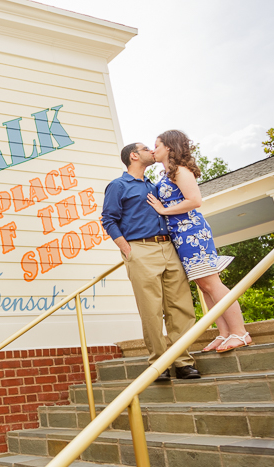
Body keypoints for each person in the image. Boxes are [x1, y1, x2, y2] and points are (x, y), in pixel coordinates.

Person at [147, 130, 252, 353]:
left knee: (212, 283)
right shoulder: (167, 174)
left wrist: (163, 210)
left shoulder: (180, 171)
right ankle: (224, 333)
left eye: (156, 145)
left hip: (192, 232)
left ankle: (240, 332)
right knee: (204, 286)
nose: (153, 150)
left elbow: (195, 200)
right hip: (180, 235)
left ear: (168, 147)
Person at [102, 142, 200, 381]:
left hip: (168, 247)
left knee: (181, 307)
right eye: (147, 148)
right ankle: (159, 363)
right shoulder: (118, 185)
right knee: (151, 310)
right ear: (134, 156)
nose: (151, 151)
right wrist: (127, 249)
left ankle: (183, 361)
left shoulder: (155, 186)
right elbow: (108, 219)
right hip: (140, 249)